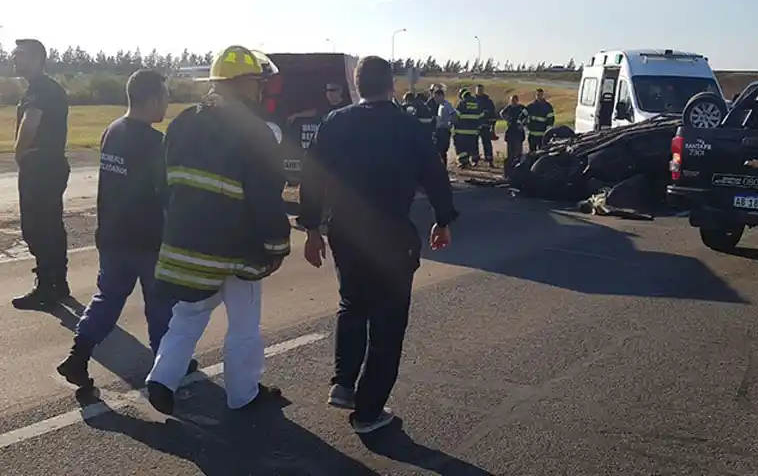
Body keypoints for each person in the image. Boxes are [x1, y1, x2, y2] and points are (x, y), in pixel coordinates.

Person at [299, 55, 458, 434]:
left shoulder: (335, 123)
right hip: (391, 233)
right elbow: (435, 174)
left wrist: (311, 228)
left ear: (357, 86)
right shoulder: (407, 126)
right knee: (388, 322)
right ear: (391, 85)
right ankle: (368, 412)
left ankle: (343, 382)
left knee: (352, 303)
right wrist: (443, 218)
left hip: (345, 230)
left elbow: (312, 176)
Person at [145, 45, 291, 415]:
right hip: (237, 250)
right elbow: (265, 195)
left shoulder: (181, 122)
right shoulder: (255, 131)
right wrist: (276, 245)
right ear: (240, 83)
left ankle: (162, 379)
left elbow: (163, 185)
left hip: (189, 243)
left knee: (188, 315)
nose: (260, 90)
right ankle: (243, 395)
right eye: (257, 82)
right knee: (244, 324)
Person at [56, 70, 198, 387]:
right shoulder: (154, 143)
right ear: (150, 100)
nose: (167, 103)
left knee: (107, 298)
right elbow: (166, 196)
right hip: (147, 239)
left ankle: (77, 357)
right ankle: (167, 365)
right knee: (161, 304)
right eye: (164, 97)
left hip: (112, 236)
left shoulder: (113, 131)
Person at [11, 39, 72, 310]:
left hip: (41, 167)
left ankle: (48, 286)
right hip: (48, 166)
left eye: (21, 55)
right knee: (50, 225)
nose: (15, 60)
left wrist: (18, 152)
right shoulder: (41, 88)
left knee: (38, 227)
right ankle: (57, 281)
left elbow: (30, 123)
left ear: (37, 59)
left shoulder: (42, 90)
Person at [500, 94, 528, 177]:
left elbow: (527, 116)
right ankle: (509, 169)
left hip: (519, 131)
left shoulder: (521, 108)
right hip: (511, 130)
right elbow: (501, 113)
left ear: (517, 100)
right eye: (512, 100)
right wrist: (507, 119)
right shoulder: (508, 108)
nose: (513, 101)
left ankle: (519, 168)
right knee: (510, 151)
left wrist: (522, 123)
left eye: (515, 99)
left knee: (518, 150)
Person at [453, 88, 483, 168]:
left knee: (461, 147)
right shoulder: (477, 103)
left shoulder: (462, 103)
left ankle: (464, 162)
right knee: (473, 146)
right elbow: (481, 116)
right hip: (473, 131)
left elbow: (456, 116)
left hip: (462, 131)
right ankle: (475, 161)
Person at [473, 84, 497, 168]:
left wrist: (493, 128)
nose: (479, 91)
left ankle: (490, 161)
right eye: (478, 90)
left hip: (485, 126)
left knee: (487, 144)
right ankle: (475, 161)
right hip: (474, 126)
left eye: (481, 90)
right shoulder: (472, 100)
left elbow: (493, 115)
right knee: (474, 144)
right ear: (475, 91)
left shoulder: (488, 101)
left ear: (483, 90)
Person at [525, 88, 555, 152]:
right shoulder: (531, 106)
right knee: (532, 153)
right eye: (538, 95)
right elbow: (523, 115)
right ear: (535, 95)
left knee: (542, 152)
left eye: (541, 95)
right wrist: (524, 125)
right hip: (532, 135)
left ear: (543, 95)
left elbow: (551, 120)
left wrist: (548, 132)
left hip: (542, 135)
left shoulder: (548, 107)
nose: (539, 96)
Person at [433, 88, 456, 167]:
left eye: (436, 97)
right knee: (438, 150)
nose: (435, 99)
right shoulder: (440, 106)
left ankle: (444, 167)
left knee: (442, 150)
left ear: (441, 96)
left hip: (444, 130)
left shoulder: (447, 104)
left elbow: (453, 114)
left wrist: (450, 123)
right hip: (439, 130)